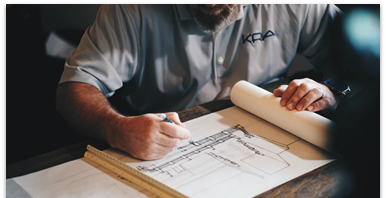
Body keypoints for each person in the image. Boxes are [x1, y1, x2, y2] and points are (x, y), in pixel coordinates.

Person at [57, 4, 342, 161]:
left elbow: (361, 60)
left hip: (276, 144)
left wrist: (331, 89)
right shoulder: (129, 10)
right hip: (164, 146)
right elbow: (75, 88)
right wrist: (116, 128)